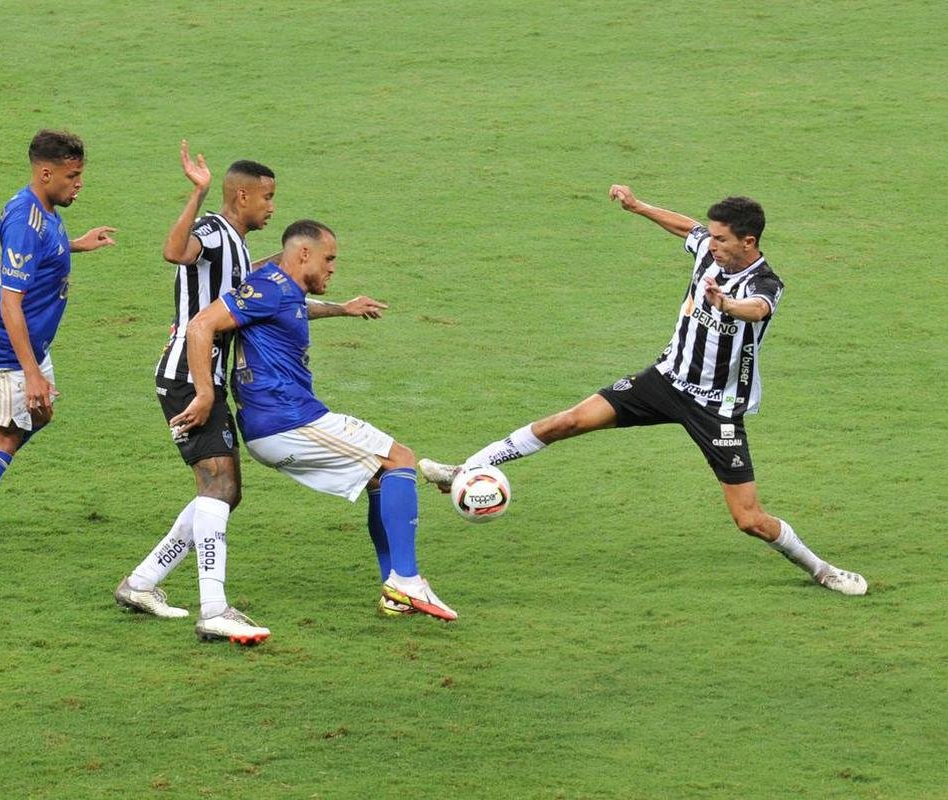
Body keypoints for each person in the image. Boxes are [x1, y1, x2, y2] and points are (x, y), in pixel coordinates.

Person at [420, 186, 867, 596]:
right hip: (665, 381)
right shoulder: (708, 251)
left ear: (748, 242)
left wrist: (725, 304)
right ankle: (465, 468)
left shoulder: (764, 283)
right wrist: (638, 207)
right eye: (712, 236)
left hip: (716, 408)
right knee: (567, 421)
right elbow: (687, 228)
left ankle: (822, 569)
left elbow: (756, 309)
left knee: (748, 519)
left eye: (721, 239)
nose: (711, 243)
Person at [114, 143, 388, 644]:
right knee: (219, 488)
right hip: (190, 378)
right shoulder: (215, 231)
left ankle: (142, 583)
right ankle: (213, 610)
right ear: (242, 196)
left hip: (204, 378)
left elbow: (280, 303)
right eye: (267, 197)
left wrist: (341, 308)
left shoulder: (239, 248)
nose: (272, 207)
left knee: (223, 492)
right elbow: (175, 252)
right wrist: (198, 193)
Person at [170, 219, 458, 636]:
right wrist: (203, 394)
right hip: (287, 420)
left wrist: (343, 308)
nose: (333, 267)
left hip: (280, 421)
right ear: (304, 254)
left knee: (380, 475)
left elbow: (293, 308)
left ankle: (396, 591)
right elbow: (201, 325)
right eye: (329, 258)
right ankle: (407, 582)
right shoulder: (270, 288)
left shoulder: (281, 289)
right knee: (400, 460)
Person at [0, 129, 116, 596]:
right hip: (8, 347)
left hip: (29, 344)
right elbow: (12, 303)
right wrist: (31, 373)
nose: (79, 184)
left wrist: (76, 245)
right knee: (4, 437)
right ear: (46, 172)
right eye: (72, 176)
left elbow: (38, 254)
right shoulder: (24, 221)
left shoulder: (42, 210)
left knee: (38, 417)